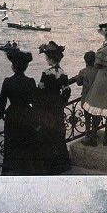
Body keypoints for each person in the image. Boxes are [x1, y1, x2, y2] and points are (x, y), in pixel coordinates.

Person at [35, 41, 72, 174]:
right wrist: (61, 103)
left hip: (47, 107)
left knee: (47, 131)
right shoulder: (63, 73)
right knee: (57, 132)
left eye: (46, 58)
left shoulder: (46, 73)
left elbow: (40, 89)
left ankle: (48, 164)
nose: (46, 60)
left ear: (50, 59)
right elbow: (67, 90)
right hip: (57, 106)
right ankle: (61, 163)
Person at [0, 48, 36, 175]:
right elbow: (34, 100)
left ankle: (10, 170)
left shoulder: (7, 81)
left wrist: (1, 113)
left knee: (11, 144)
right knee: (26, 143)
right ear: (25, 67)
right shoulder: (30, 82)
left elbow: (2, 100)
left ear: (13, 67)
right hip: (27, 115)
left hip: (12, 115)